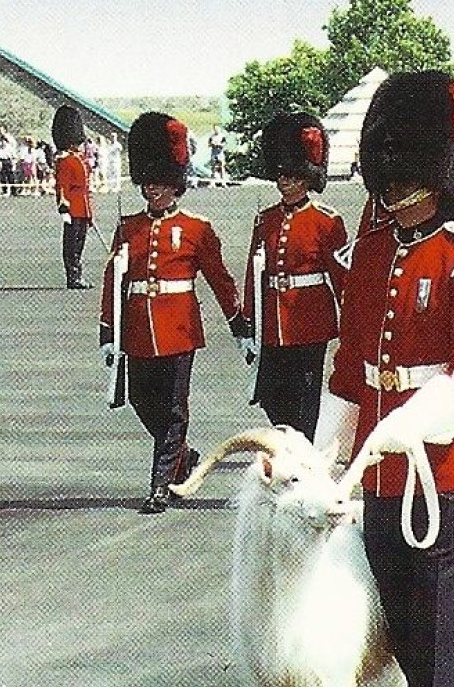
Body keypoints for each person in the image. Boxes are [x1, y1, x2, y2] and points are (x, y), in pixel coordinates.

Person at [314, 71, 454, 687]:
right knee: (395, 604)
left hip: (446, 465)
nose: (391, 190)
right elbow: (351, 363)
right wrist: (324, 458)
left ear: (440, 175)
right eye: (385, 175)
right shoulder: (369, 256)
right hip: (380, 465)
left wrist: (409, 423)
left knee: (436, 610)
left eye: (405, 175)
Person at [99, 112, 251, 513]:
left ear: (175, 184)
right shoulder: (128, 226)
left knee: (172, 409)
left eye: (160, 182)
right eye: (147, 182)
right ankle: (182, 457)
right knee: (139, 400)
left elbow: (220, 280)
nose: (151, 189)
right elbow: (113, 281)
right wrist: (107, 332)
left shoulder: (196, 228)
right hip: (137, 329)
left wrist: (239, 324)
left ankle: (160, 486)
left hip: (178, 327)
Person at [241, 112, 349, 440]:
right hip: (272, 320)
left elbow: (342, 278)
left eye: (291, 174)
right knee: (272, 393)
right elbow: (253, 271)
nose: (283, 181)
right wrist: (249, 320)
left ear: (306, 177)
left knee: (304, 395)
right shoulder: (265, 219)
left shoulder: (327, 221)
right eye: (280, 174)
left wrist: (353, 325)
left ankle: (303, 450)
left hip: (310, 319)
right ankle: (290, 440)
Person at [52, 106, 94, 288]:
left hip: (82, 206)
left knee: (79, 244)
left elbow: (86, 188)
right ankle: (73, 277)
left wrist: (89, 213)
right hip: (73, 207)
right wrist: (63, 207)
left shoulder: (79, 158)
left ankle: (78, 275)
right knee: (72, 246)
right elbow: (62, 186)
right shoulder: (65, 160)